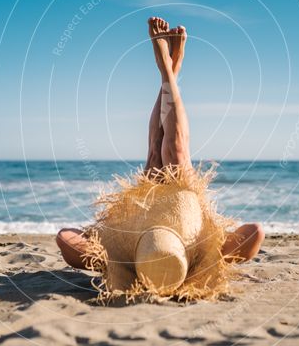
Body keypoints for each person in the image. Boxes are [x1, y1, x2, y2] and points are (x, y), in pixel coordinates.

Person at [56, 17, 264, 270]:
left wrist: (110, 256)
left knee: (157, 153)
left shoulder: (126, 264)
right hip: (187, 226)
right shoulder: (198, 265)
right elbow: (254, 232)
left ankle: (169, 69)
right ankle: (168, 69)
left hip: (144, 220)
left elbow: (65, 237)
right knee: (176, 154)